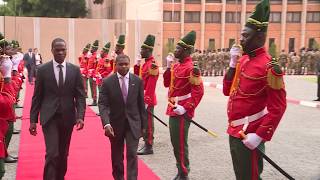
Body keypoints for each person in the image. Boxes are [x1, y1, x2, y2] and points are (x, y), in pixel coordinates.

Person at [222, 0, 287, 179]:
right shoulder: (243, 61)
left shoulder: (269, 67)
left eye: (245, 36)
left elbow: (278, 107)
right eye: (241, 35)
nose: (241, 39)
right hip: (235, 130)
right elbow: (227, 91)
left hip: (249, 133)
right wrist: (232, 65)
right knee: (241, 175)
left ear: (259, 37)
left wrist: (259, 136)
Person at [29, 38, 86, 180]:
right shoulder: (42, 70)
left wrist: (80, 116)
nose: (60, 52)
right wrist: (33, 120)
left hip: (67, 118)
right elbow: (37, 97)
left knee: (63, 154)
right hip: (49, 117)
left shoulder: (74, 70)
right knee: (52, 153)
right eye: (57, 49)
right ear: (52, 50)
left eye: (63, 49)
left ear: (66, 51)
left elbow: (80, 96)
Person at [163, 31, 204, 180]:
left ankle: (184, 172)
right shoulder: (177, 66)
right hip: (173, 108)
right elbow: (167, 83)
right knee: (176, 142)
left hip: (181, 111)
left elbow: (198, 92)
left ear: (186, 50)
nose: (175, 50)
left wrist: (186, 108)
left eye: (178, 48)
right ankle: (181, 169)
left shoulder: (191, 68)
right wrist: (168, 67)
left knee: (180, 143)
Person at [98, 54, 147, 180]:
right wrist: (106, 123)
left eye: (126, 64)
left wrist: (144, 126)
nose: (124, 66)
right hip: (114, 125)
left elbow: (141, 105)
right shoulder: (108, 82)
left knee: (132, 154)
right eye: (121, 64)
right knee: (117, 157)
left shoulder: (137, 81)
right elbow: (102, 104)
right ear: (116, 65)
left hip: (133, 124)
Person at [134, 34, 159, 155]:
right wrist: (137, 65)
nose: (140, 51)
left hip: (147, 98)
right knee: (143, 121)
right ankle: (145, 141)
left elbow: (151, 85)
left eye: (142, 49)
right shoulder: (145, 64)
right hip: (142, 97)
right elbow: (138, 79)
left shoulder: (152, 65)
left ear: (148, 50)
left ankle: (149, 145)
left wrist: (146, 100)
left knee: (148, 122)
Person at [87, 40, 99, 106]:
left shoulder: (96, 57)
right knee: (91, 88)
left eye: (92, 48)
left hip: (93, 74)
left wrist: (94, 75)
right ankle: (93, 100)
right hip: (90, 74)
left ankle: (95, 100)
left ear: (95, 49)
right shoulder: (91, 56)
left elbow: (97, 66)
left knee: (94, 88)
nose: (91, 49)